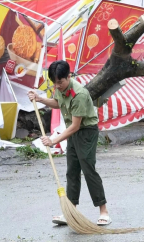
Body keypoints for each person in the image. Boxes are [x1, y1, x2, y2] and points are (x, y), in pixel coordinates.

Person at [28, 61, 110, 226]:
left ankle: (104, 212)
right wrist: (40, 99)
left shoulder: (79, 94)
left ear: (69, 76)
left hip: (86, 132)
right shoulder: (60, 89)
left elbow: (75, 126)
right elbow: (58, 104)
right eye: (55, 83)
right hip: (74, 133)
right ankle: (71, 211)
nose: (57, 86)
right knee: (72, 171)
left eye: (60, 82)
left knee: (88, 170)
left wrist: (53, 140)